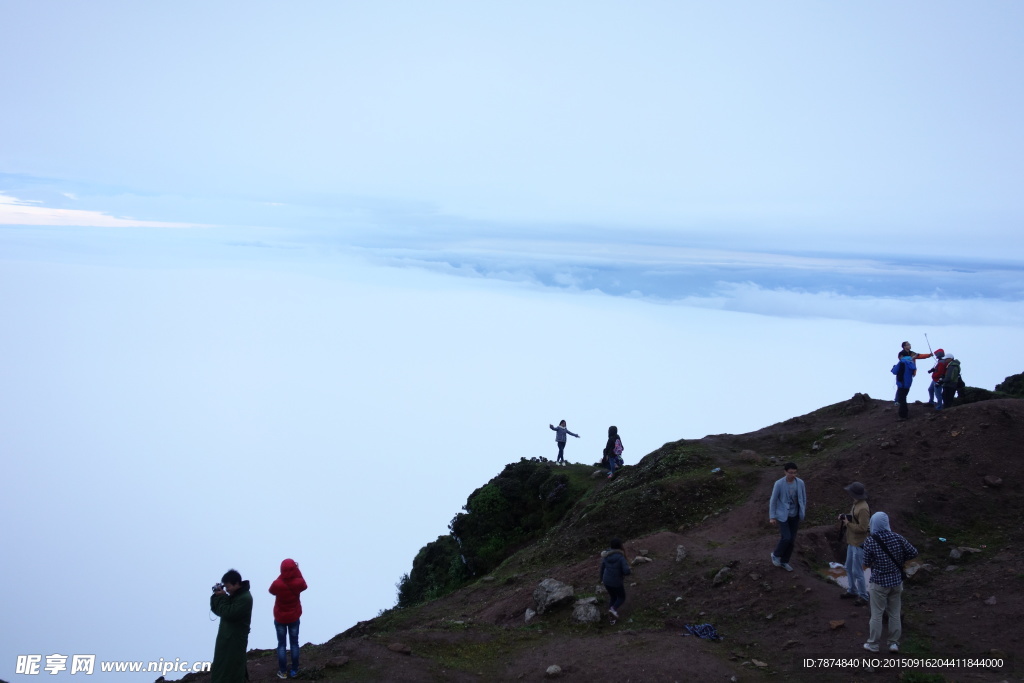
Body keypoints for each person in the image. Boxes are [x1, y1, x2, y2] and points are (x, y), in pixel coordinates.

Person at [862, 512, 918, 654]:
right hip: (896, 582)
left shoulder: (870, 541)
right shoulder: (897, 537)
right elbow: (913, 552)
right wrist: (901, 560)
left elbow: (866, 563)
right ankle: (893, 644)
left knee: (877, 614)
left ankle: (873, 644)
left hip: (879, 583)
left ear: (873, 523)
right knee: (894, 613)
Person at [210, 569, 253, 683]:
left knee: (233, 667)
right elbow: (218, 610)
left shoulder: (245, 598)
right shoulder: (236, 596)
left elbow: (228, 613)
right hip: (226, 638)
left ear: (237, 584)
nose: (227, 590)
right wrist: (216, 596)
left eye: (228, 587)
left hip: (235, 639)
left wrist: (222, 597)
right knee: (223, 665)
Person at [269, 558, 307, 679]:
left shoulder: (277, 583)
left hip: (280, 617)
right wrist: (296, 571)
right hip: (294, 616)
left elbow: (271, 591)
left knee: (281, 645)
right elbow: (304, 585)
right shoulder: (298, 582)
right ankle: (294, 670)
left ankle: (283, 671)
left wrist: (283, 576)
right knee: (294, 643)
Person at [768, 462, 806, 572]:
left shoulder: (800, 483)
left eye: (795, 473)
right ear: (785, 472)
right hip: (782, 515)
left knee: (792, 540)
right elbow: (773, 500)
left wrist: (802, 511)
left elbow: (803, 498)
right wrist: (772, 516)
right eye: (790, 473)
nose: (792, 475)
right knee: (786, 537)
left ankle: (784, 561)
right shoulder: (779, 484)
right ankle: (775, 554)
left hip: (795, 515)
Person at [837, 482, 870, 605]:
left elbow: (863, 528)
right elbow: (854, 518)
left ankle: (863, 596)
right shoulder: (856, 504)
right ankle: (852, 590)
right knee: (849, 567)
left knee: (858, 571)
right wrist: (845, 517)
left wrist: (847, 523)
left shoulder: (863, 508)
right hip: (852, 541)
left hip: (859, 543)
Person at [598, 538, 631, 624]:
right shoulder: (620, 557)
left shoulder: (606, 555)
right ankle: (613, 609)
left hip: (606, 580)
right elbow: (626, 571)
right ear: (620, 546)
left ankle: (611, 619)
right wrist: (628, 570)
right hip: (616, 581)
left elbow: (602, 568)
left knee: (613, 597)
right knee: (621, 597)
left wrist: (601, 579)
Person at [892, 352, 917, 420]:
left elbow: (894, 371)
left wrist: (894, 367)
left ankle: (903, 415)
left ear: (901, 356)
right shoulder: (911, 362)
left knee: (901, 399)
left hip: (902, 383)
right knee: (904, 398)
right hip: (908, 383)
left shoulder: (902, 362)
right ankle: (905, 414)